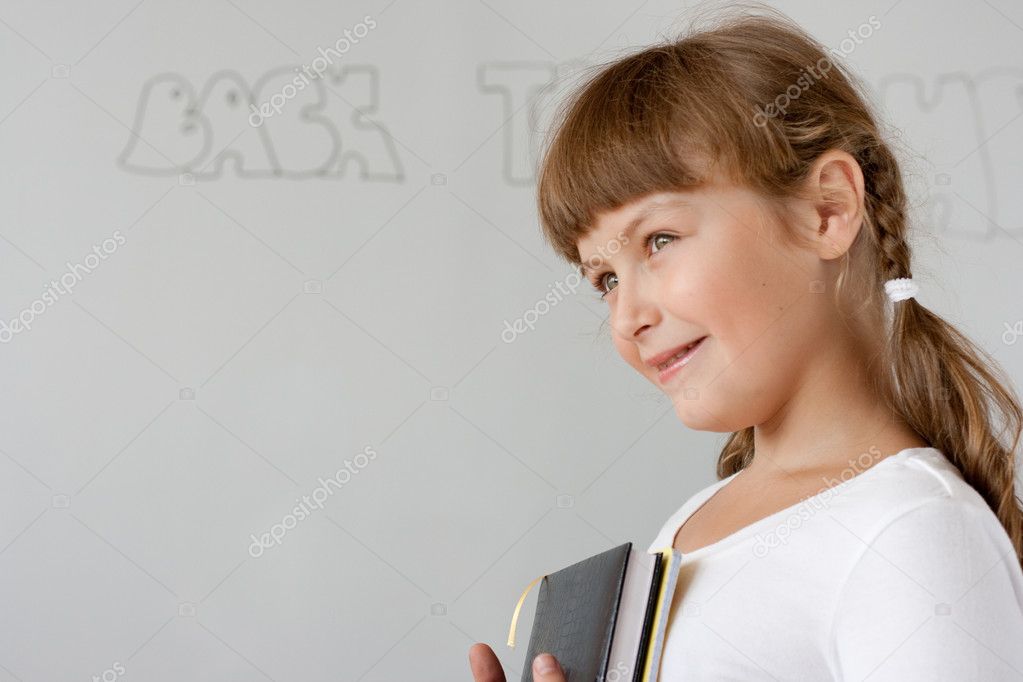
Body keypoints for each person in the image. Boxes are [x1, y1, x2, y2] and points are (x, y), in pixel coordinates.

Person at [470, 4, 1023, 680]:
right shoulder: (694, 522)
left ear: (827, 210)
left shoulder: (912, 535)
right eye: (605, 279)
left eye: (660, 241)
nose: (626, 316)